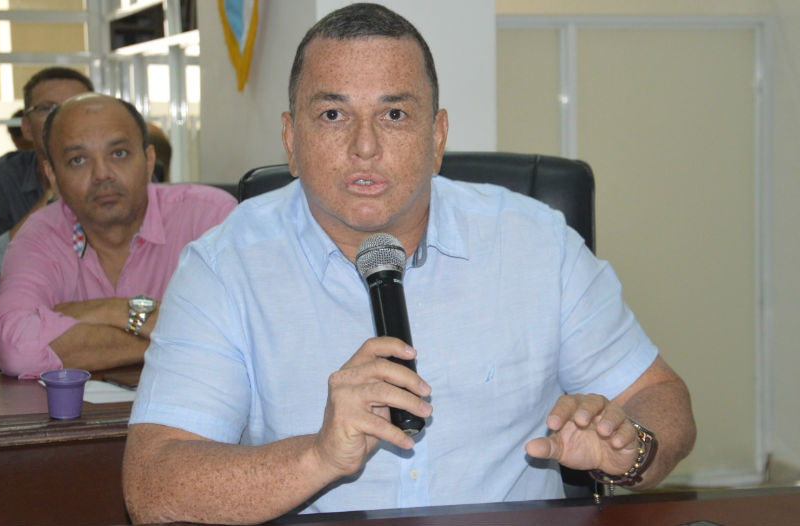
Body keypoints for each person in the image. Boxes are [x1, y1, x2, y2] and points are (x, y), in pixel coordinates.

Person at [122, 4, 696, 524]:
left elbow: (661, 397)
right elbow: (154, 485)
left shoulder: (535, 243)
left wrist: (632, 450)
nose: (365, 146)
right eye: (332, 116)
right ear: (290, 140)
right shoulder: (224, 267)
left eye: (395, 114)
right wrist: (318, 456)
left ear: (437, 136)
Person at [0, 94, 237, 378]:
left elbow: (243, 330)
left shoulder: (210, 217)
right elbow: (15, 349)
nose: (102, 174)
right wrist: (129, 314)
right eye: (78, 160)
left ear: (148, 161)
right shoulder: (39, 234)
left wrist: (75, 313)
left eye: (118, 154)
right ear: (53, 177)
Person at [0, 67, 93, 294]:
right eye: (48, 108)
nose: (62, 117)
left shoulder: (125, 176)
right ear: (26, 127)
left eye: (76, 105)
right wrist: (54, 200)